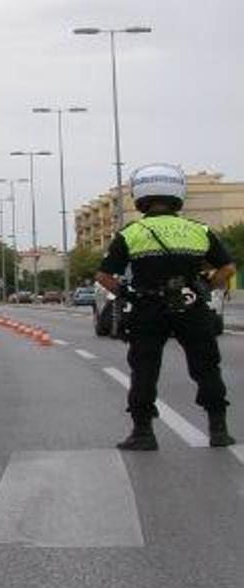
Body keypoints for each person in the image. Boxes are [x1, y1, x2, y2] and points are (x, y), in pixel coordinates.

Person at [96, 163, 236, 450]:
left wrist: (130, 295)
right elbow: (228, 268)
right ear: (178, 194)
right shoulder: (199, 230)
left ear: (140, 196)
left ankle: (143, 433)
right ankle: (219, 430)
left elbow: (104, 277)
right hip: (192, 306)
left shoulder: (131, 233)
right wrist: (206, 287)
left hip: (148, 309)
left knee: (145, 369)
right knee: (206, 366)